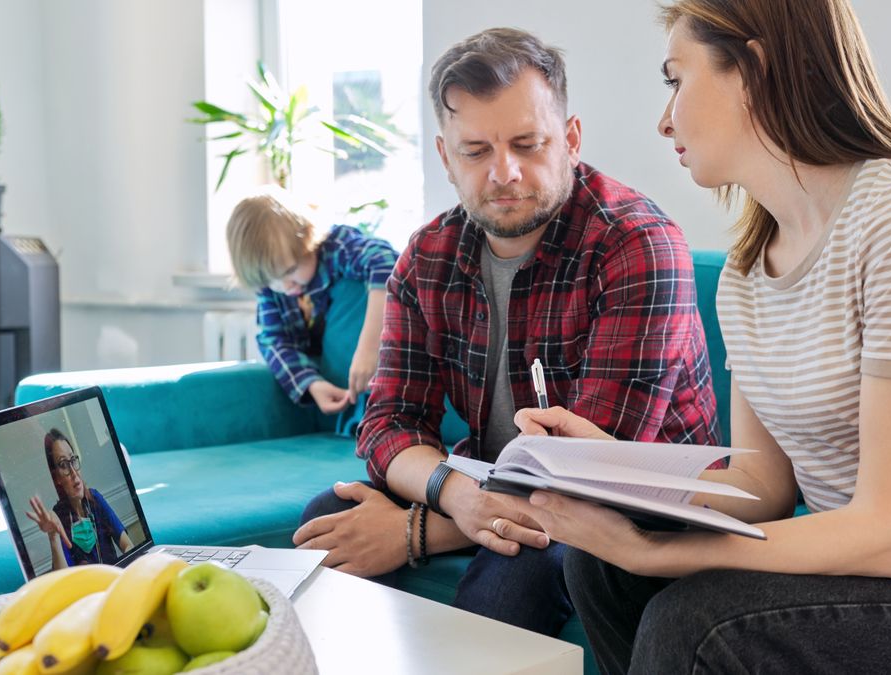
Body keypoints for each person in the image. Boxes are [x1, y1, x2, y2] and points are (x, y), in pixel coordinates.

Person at [509, 1, 891, 672]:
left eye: (674, 79)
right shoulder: (747, 275)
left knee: (697, 621)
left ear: (752, 68)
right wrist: (610, 468)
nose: (664, 120)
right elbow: (763, 485)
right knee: (604, 572)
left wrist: (657, 551)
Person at [291, 27, 720, 637]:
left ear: (570, 139)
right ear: (445, 157)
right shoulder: (430, 253)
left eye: (527, 143)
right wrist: (454, 493)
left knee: (518, 565)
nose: (504, 173)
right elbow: (389, 424)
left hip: (637, 511)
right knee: (326, 521)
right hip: (496, 487)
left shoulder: (635, 243)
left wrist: (419, 530)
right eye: (475, 151)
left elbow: (596, 466)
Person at [226, 186, 399, 414]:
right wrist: (313, 384)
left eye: (290, 270)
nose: (285, 286)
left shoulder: (335, 246)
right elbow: (274, 341)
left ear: (308, 237)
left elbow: (386, 261)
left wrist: (369, 348)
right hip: (336, 383)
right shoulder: (272, 290)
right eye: (272, 279)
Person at [25, 428, 132, 569]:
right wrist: (53, 537)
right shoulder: (59, 517)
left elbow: (128, 544)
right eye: (63, 465)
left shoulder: (95, 499)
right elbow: (63, 578)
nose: (74, 473)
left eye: (73, 460)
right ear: (56, 477)